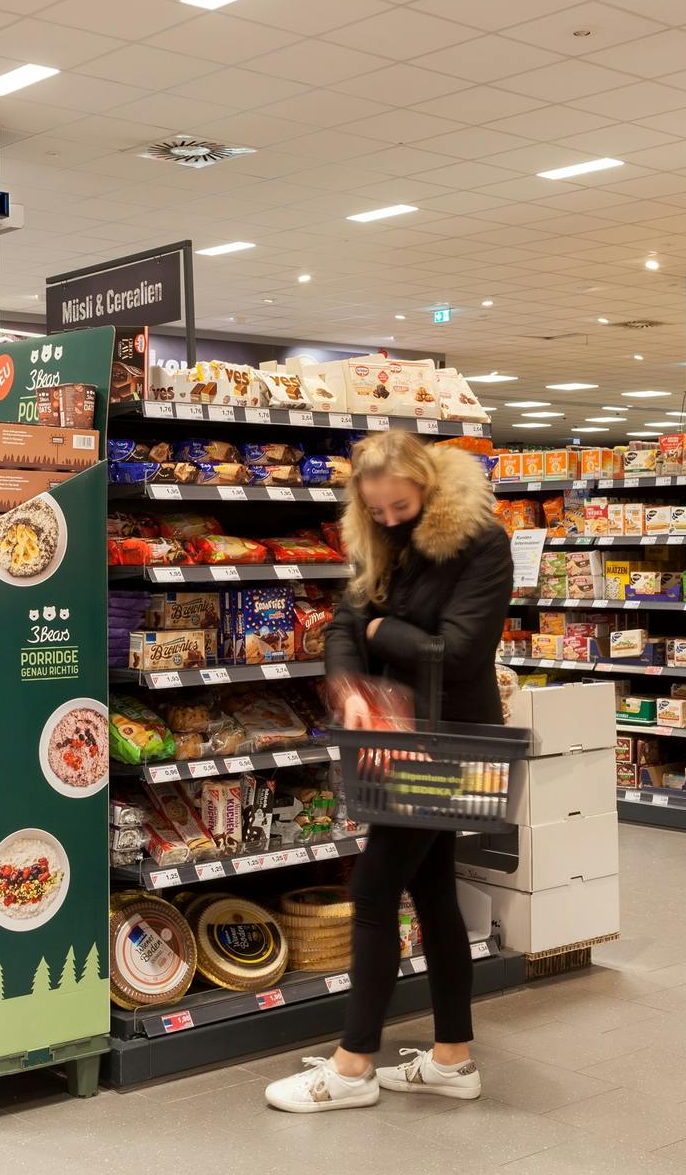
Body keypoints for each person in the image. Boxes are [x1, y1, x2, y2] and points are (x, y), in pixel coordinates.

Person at [263, 432, 512, 1114]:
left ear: (429, 488)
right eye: (377, 512)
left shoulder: (481, 543)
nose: (391, 520)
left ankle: (351, 1069)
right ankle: (453, 1060)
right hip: (394, 733)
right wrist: (348, 685)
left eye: (401, 506)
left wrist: (382, 634)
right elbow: (346, 619)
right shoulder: (381, 540)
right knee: (431, 894)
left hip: (452, 741)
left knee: (374, 892)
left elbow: (458, 651)